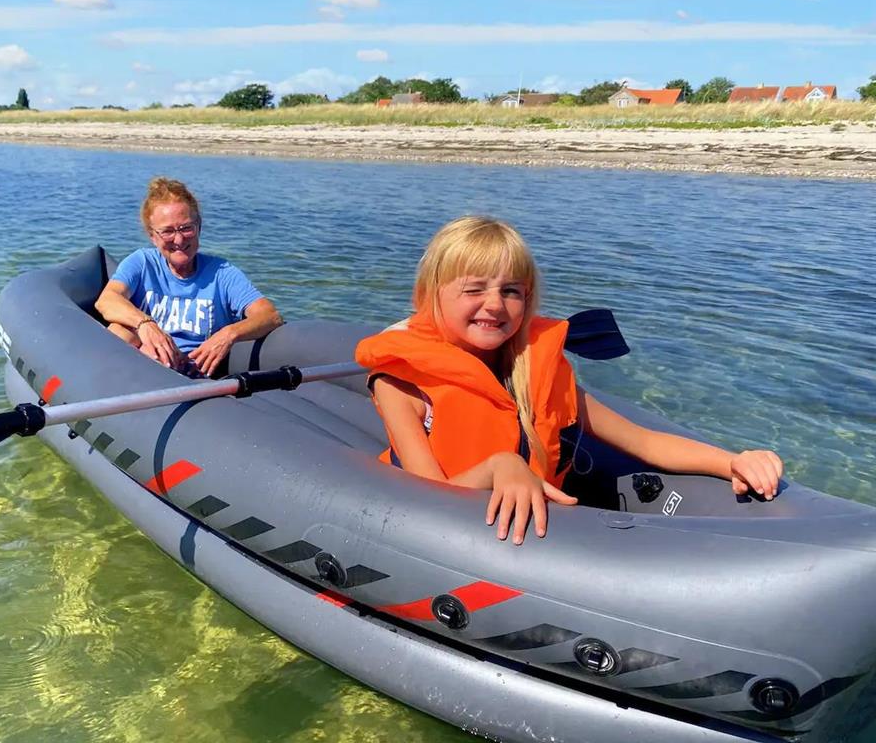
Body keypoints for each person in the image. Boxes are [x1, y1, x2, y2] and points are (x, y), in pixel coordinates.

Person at [355, 216, 782, 545]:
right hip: (457, 531)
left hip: (547, 530)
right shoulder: (401, 385)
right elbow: (429, 498)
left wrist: (732, 461)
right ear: (430, 296)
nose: (495, 304)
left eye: (511, 291)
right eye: (474, 289)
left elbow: (644, 442)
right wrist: (500, 467)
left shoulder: (531, 369)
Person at [95, 177, 282, 377]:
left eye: (186, 228)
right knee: (120, 330)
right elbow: (107, 300)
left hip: (197, 379)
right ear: (152, 236)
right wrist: (145, 324)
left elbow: (270, 315)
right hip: (144, 372)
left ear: (199, 226)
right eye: (167, 231)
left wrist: (228, 334)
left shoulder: (222, 273)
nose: (179, 239)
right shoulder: (142, 263)